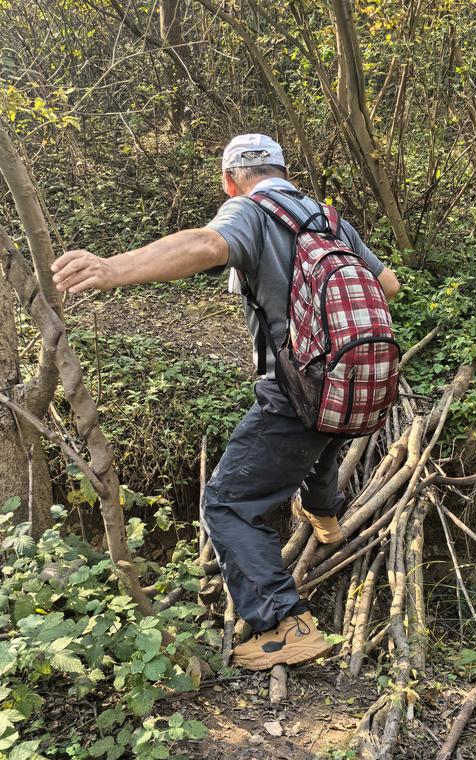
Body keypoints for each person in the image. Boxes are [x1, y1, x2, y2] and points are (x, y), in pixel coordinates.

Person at [52, 133, 401, 670]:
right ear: (284, 169)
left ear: (229, 179)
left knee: (228, 503)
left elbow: (207, 245)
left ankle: (285, 624)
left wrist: (113, 269)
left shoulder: (250, 210)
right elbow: (389, 284)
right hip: (357, 384)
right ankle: (323, 511)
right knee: (324, 438)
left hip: (297, 392)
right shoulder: (329, 219)